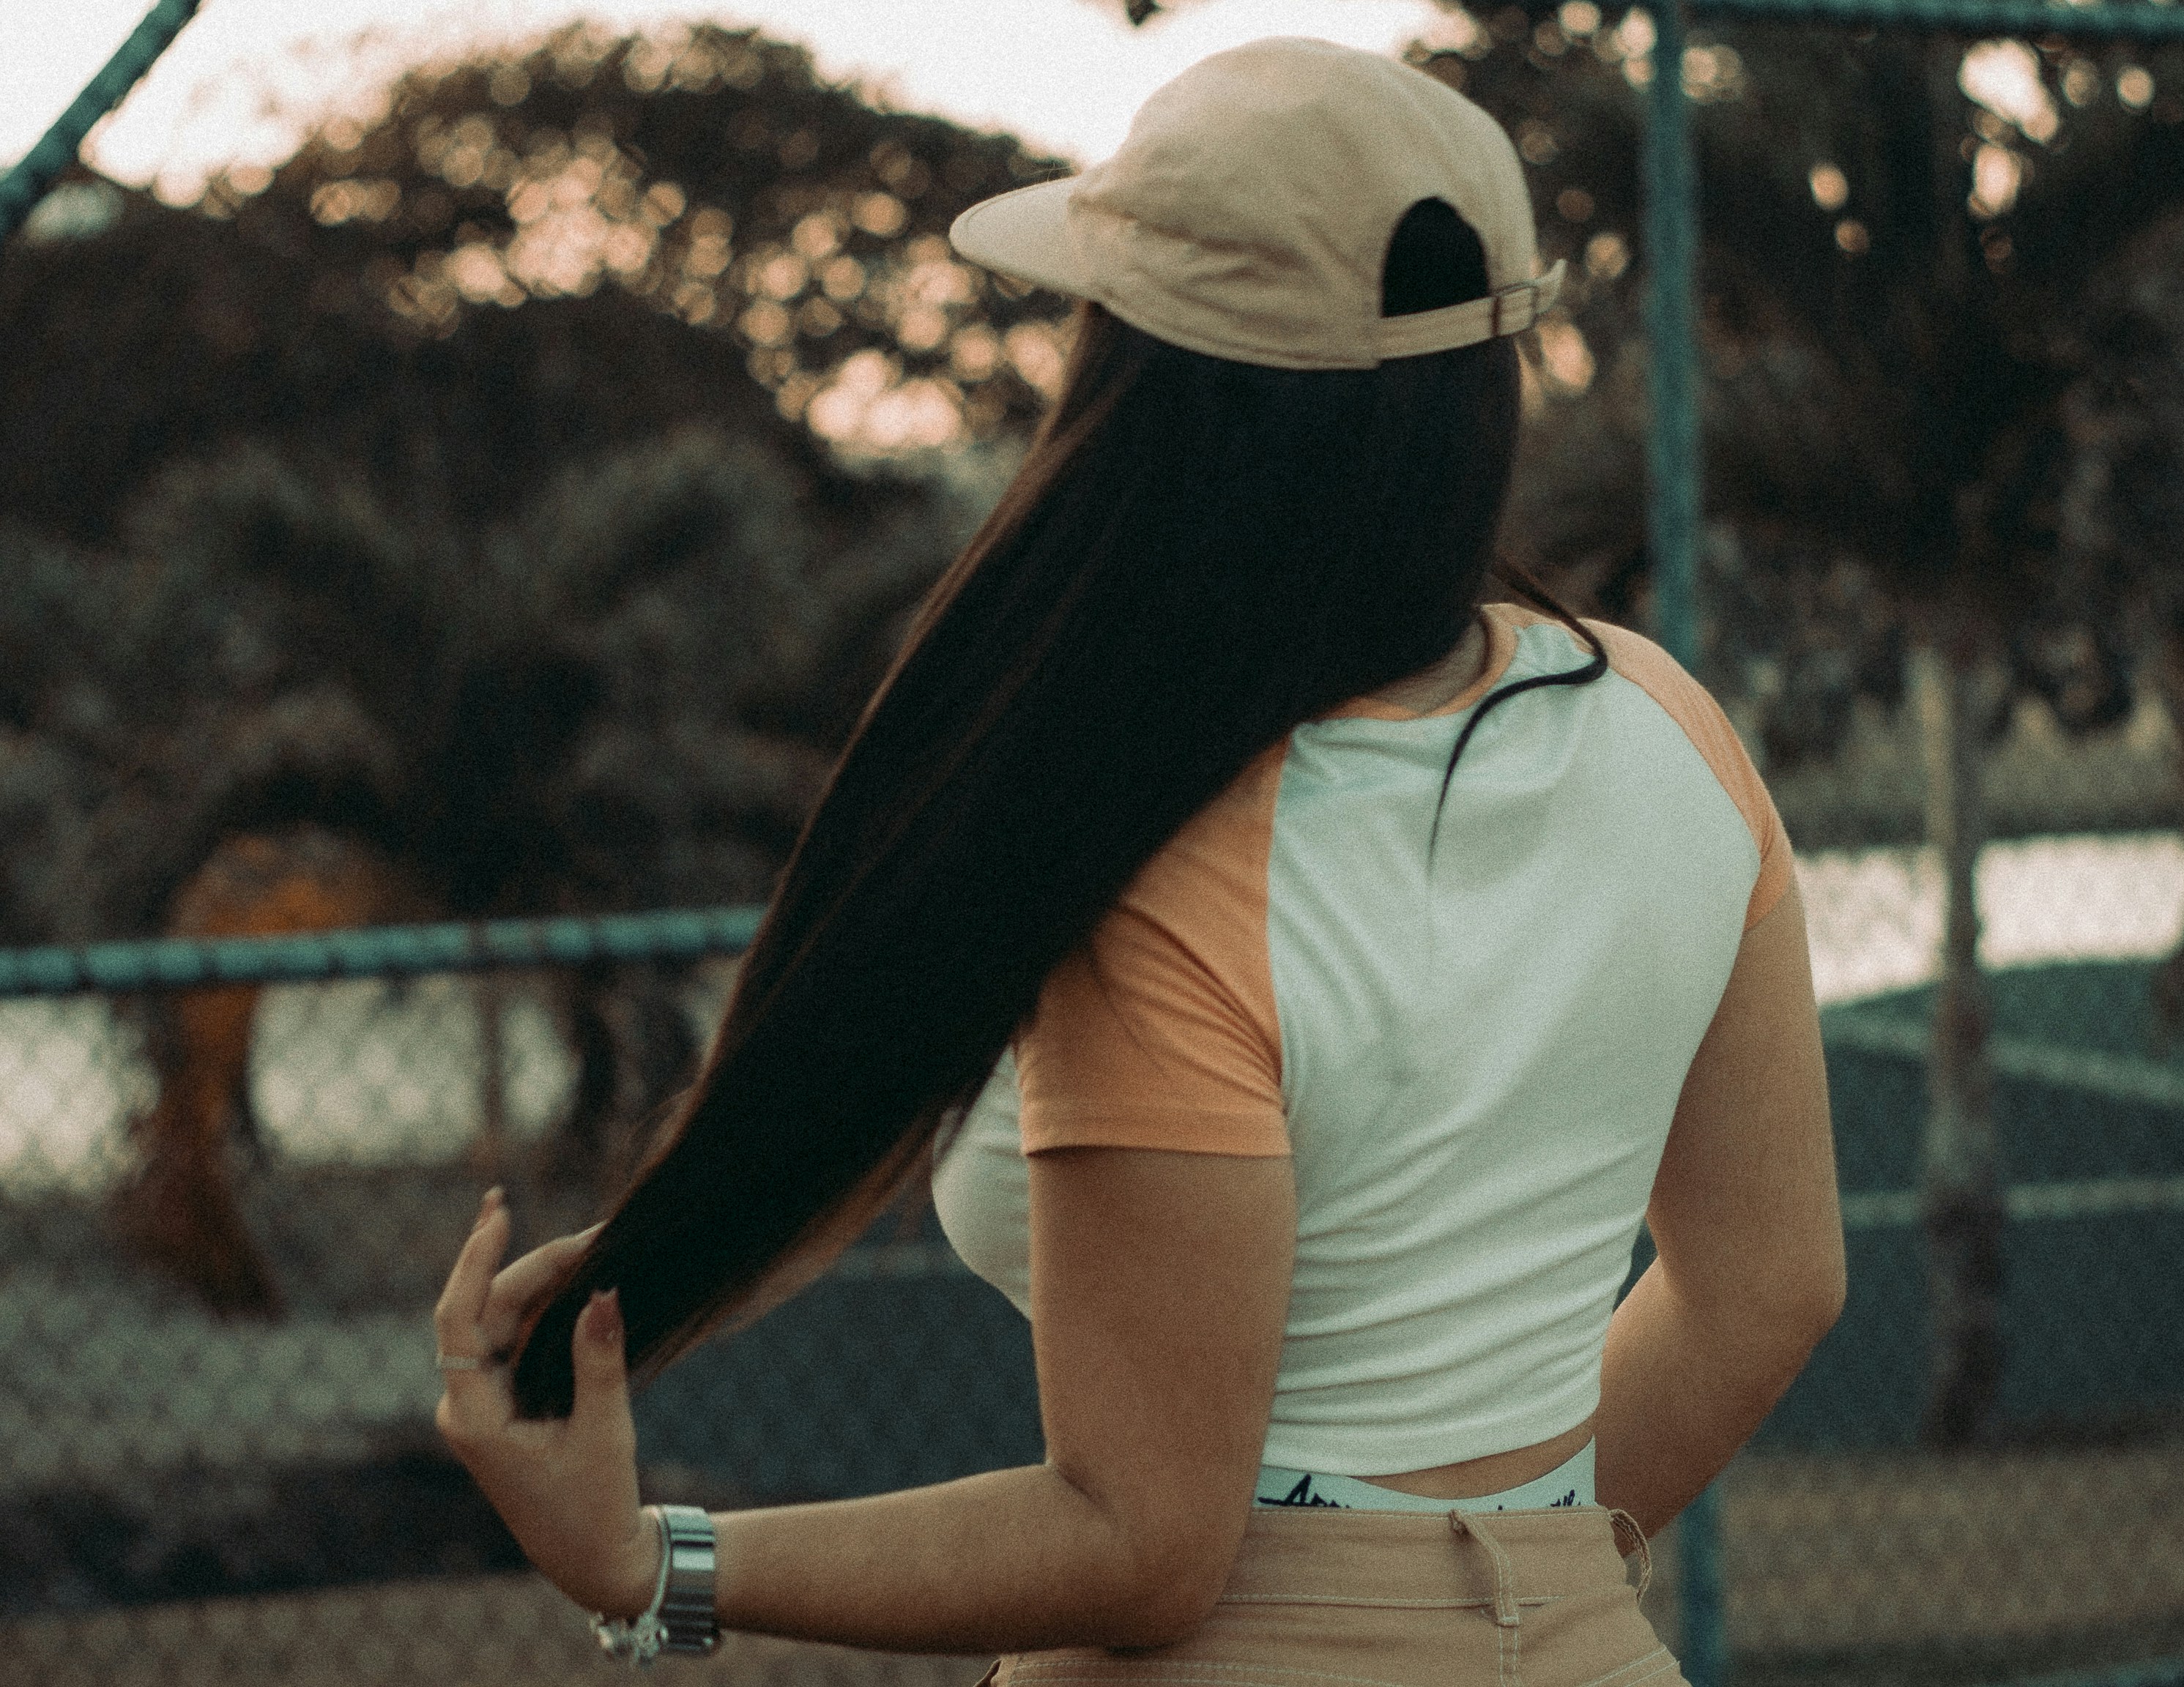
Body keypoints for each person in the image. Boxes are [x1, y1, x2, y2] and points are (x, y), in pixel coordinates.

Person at [431, 35, 1844, 1685]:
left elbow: (1141, 1542)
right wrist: (1504, 1580)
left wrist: (649, 1563)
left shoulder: (1172, 870)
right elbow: (1767, 1288)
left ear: (1149, 406)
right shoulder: (1672, 731)